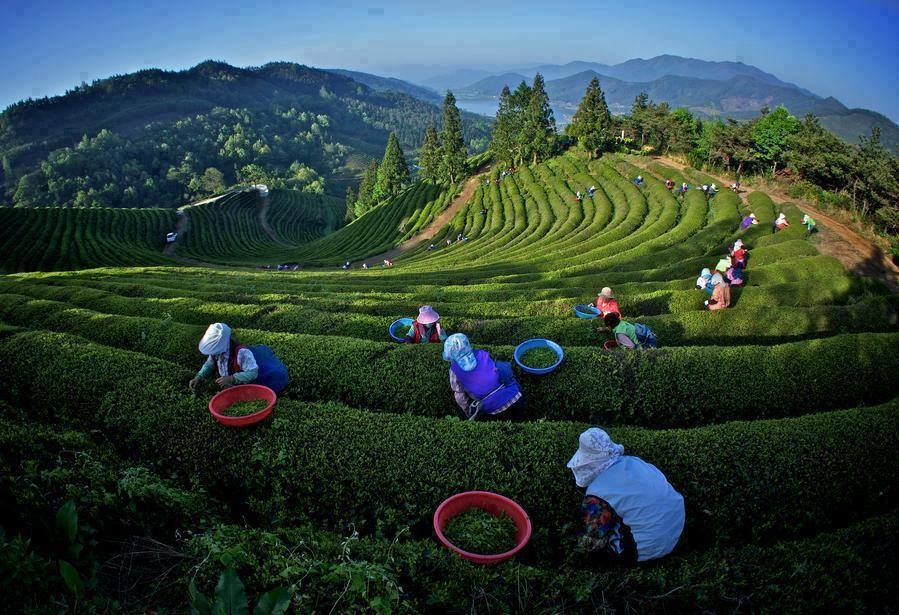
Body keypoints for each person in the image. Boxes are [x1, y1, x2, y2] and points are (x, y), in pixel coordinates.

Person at [567, 428, 685, 562]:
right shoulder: (634, 461)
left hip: (649, 548)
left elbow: (592, 542)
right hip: (676, 532)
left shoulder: (596, 494)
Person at [189, 323, 288, 394]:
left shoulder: (242, 353)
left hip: (262, 379)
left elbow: (253, 373)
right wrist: (199, 376)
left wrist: (231, 378)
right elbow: (210, 363)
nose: (213, 354)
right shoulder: (216, 352)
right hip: (232, 384)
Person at [442, 333, 524, 420]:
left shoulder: (454, 370)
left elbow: (459, 395)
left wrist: (469, 412)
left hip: (492, 408)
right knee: (520, 419)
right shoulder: (481, 353)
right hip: (514, 395)